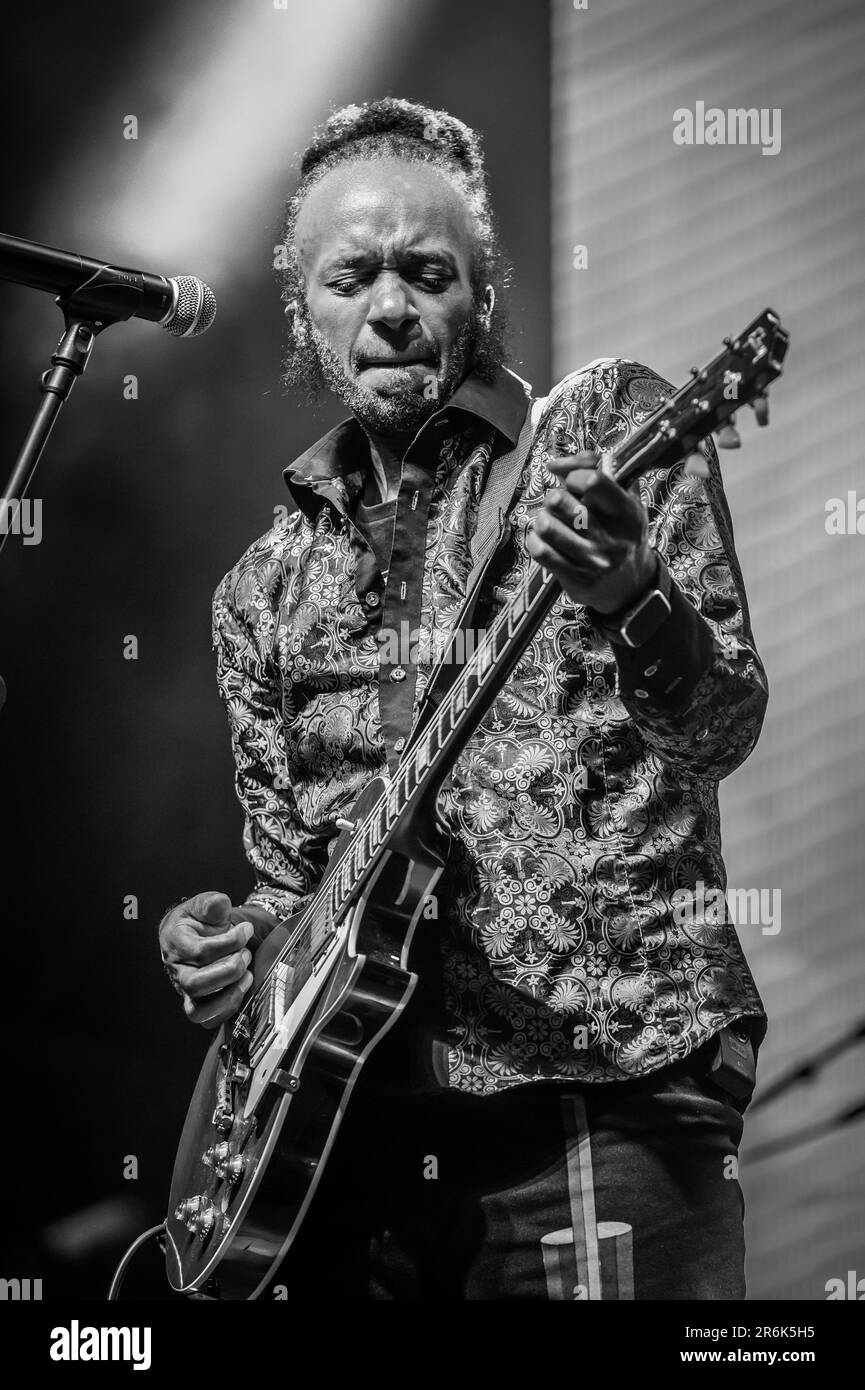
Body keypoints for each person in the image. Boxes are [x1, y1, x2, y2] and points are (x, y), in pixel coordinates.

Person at [158, 98, 769, 1300]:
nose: (390, 306)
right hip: (358, 1141)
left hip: (606, 1101)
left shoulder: (605, 432)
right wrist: (232, 947)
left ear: (480, 295)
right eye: (353, 276)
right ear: (304, 312)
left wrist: (632, 589)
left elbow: (720, 725)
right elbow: (295, 886)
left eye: (427, 272)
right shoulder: (259, 587)